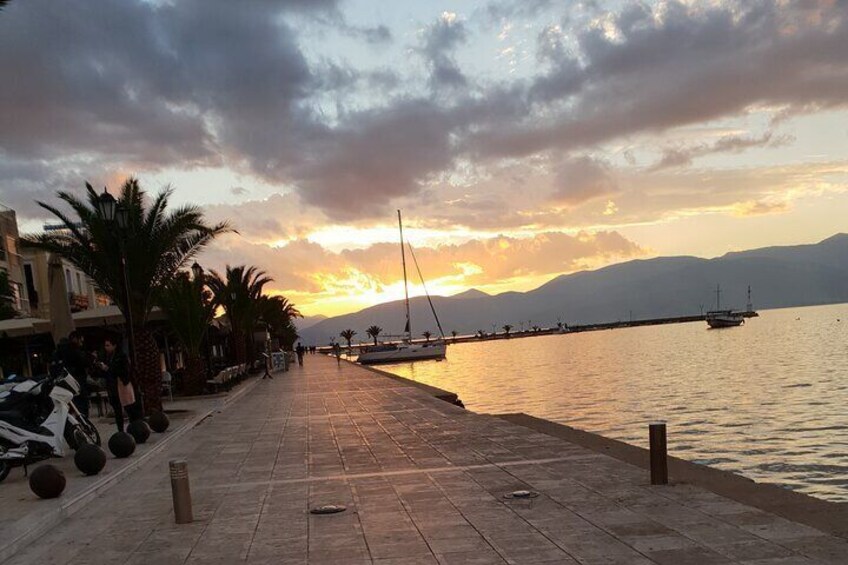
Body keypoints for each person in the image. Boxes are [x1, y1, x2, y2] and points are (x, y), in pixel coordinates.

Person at [97, 335, 139, 433]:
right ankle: (121, 431)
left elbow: (124, 371)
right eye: (105, 345)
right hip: (112, 386)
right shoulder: (107, 357)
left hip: (122, 385)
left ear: (114, 345)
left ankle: (134, 428)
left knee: (129, 408)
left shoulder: (121, 356)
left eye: (108, 345)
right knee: (117, 410)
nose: (106, 348)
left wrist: (109, 369)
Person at [55, 330, 91, 417]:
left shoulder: (59, 352)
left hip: (65, 383)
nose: (82, 343)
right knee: (82, 407)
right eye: (80, 341)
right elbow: (84, 363)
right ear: (75, 339)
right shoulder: (75, 351)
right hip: (78, 382)